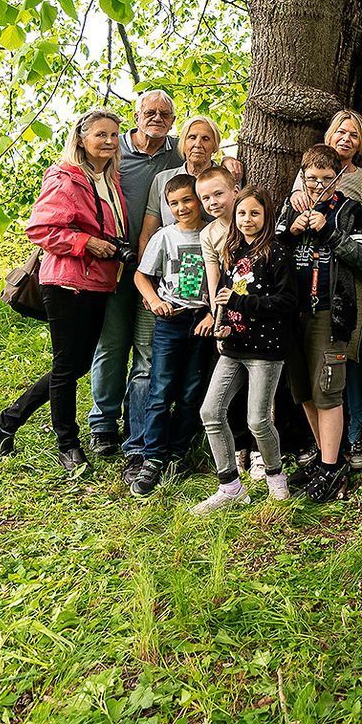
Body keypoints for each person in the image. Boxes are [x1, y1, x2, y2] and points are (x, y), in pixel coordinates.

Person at [0, 110, 130, 477]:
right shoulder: (66, 178)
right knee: (67, 367)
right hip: (66, 282)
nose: (109, 141)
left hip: (97, 283)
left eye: (114, 135)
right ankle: (68, 444)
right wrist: (86, 242)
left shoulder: (109, 179)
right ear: (81, 139)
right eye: (101, 135)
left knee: (76, 365)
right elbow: (40, 229)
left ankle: (4, 423)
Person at [275, 144, 362, 503]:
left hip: (330, 312)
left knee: (328, 390)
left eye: (325, 179)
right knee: (302, 389)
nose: (317, 185)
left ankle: (333, 468)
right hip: (290, 312)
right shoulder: (290, 205)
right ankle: (323, 458)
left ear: (339, 179)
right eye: (311, 178)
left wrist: (329, 231)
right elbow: (269, 251)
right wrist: (289, 230)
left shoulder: (351, 211)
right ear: (301, 175)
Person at [87, 90, 181, 457]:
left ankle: (138, 423)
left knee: (145, 350)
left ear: (173, 120)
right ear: (136, 114)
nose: (156, 118)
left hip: (157, 270)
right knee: (111, 345)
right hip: (113, 263)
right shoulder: (115, 151)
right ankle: (102, 423)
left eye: (165, 114)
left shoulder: (178, 152)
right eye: (149, 112)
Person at [288, 109, 362, 470]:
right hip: (304, 288)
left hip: (346, 286)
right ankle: (325, 449)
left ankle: (353, 441)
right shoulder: (304, 178)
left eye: (354, 135)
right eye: (340, 132)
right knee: (310, 374)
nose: (346, 139)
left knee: (341, 365)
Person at [194, 181, 296, 510]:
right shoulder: (234, 251)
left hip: (265, 349)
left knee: (258, 420)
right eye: (241, 213)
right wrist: (221, 323)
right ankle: (230, 487)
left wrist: (242, 303)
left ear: (266, 216)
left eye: (255, 213)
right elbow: (226, 295)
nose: (247, 219)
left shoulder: (278, 251)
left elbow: (287, 301)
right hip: (234, 345)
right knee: (210, 411)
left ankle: (275, 478)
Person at [122, 175, 213, 495]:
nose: (181, 208)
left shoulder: (214, 233)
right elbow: (141, 276)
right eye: (173, 203)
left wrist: (213, 313)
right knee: (160, 391)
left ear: (199, 199)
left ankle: (177, 452)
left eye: (187, 200)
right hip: (170, 323)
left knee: (190, 391)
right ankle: (152, 457)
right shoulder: (164, 237)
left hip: (202, 322)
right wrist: (156, 301)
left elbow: (228, 277)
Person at [142, 116, 241, 244]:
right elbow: (148, 233)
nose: (198, 144)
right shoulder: (162, 180)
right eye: (192, 137)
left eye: (205, 139)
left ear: (215, 146)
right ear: (183, 144)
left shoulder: (228, 178)